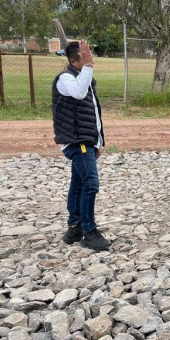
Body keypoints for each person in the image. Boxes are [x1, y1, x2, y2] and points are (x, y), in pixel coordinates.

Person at [52, 40, 111, 251]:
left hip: (87, 142)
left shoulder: (85, 79)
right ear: (73, 61)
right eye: (85, 59)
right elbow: (77, 93)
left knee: (77, 185)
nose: (91, 61)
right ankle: (89, 231)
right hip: (77, 142)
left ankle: (74, 228)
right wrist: (88, 67)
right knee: (91, 184)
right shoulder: (65, 79)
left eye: (90, 58)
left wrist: (99, 142)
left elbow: (94, 113)